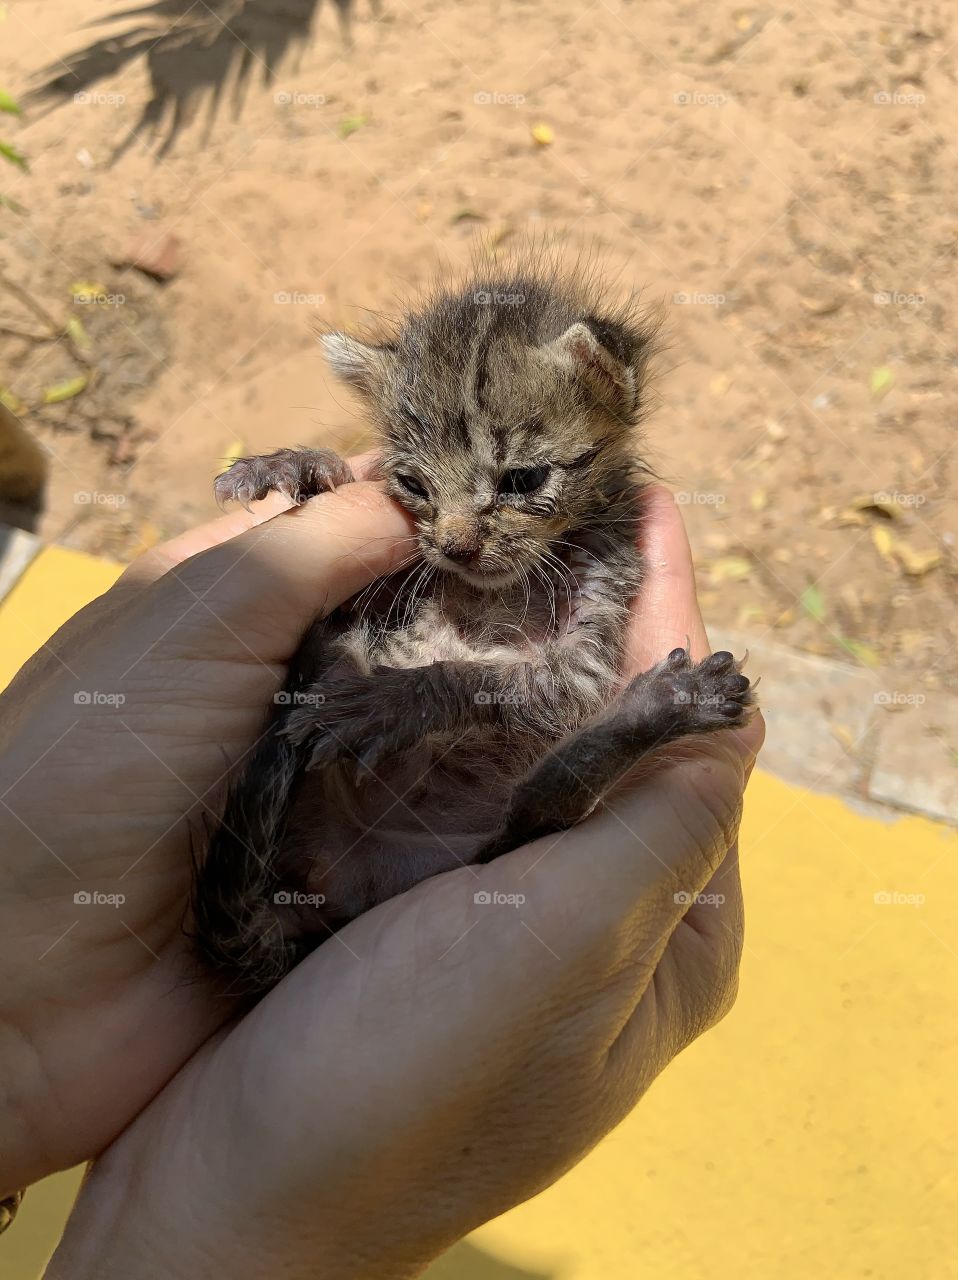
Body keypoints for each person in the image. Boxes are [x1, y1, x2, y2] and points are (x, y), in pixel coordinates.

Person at [0, 461, 762, 1278]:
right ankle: (639, 726)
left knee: (477, 794)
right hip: (390, 851)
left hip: (349, 839)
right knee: (531, 833)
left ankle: (630, 724)